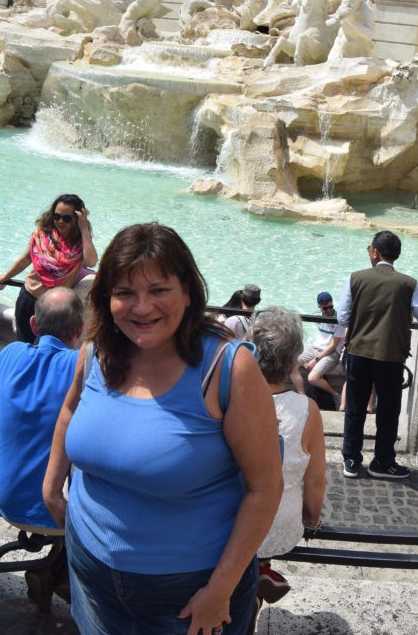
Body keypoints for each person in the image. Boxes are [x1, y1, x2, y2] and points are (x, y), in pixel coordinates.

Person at [41, 222, 282, 635]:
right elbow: (70, 410)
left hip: (190, 591)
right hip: (91, 570)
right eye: (125, 293)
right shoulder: (98, 349)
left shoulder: (228, 367)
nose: (142, 307)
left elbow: (265, 488)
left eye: (158, 290)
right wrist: (51, 489)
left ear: (188, 293)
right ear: (107, 298)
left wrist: (220, 590)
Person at [0, 288, 85, 612]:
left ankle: (52, 569)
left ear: (33, 324)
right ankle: (58, 572)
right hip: (62, 513)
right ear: (80, 330)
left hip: (5, 498)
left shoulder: (7, 356)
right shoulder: (81, 368)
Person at [339, 231, 418, 479]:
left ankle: (352, 461)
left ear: (375, 252)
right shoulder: (409, 283)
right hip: (391, 356)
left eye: (369, 248)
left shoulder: (355, 278)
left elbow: (343, 317)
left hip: (359, 352)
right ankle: (383, 462)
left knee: (355, 408)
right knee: (388, 411)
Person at [250, 307, 326, 610]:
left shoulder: (228, 397)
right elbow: (316, 480)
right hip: (281, 523)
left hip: (229, 522)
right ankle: (258, 577)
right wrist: (312, 519)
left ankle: (254, 580)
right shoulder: (307, 409)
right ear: (294, 358)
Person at [0, 194, 97, 344]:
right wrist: (6, 276)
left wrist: (84, 229)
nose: (60, 221)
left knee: (49, 348)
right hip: (29, 298)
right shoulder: (42, 234)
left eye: (66, 218)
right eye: (57, 216)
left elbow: (91, 261)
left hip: (56, 307)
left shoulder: (79, 244)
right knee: (25, 344)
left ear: (76, 219)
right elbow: (25, 259)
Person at [292, 291, 345, 409]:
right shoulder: (316, 316)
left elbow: (333, 346)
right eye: (325, 308)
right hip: (315, 348)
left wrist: (315, 360)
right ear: (319, 307)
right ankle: (303, 397)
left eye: (331, 307)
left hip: (332, 352)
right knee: (292, 365)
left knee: (312, 378)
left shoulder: (338, 321)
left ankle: (336, 395)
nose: (329, 310)